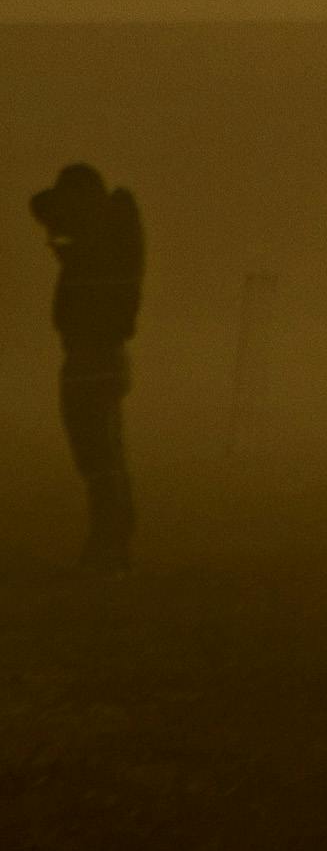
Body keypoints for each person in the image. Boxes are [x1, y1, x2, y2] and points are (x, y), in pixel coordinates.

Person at [29, 163, 142, 572]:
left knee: (95, 455)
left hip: (89, 353)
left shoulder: (98, 235)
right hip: (104, 353)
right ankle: (114, 539)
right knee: (107, 453)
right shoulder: (115, 232)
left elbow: (41, 205)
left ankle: (108, 544)